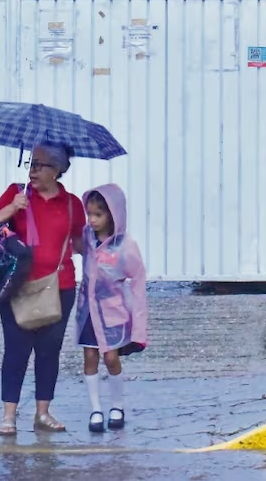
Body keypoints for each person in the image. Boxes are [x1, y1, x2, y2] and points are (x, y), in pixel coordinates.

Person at [0, 141, 85, 436]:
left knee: (48, 351)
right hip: (17, 287)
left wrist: (97, 242)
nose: (33, 170)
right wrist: (12, 208)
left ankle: (43, 412)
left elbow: (78, 243)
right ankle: (8, 416)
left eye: (40, 164)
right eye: (31, 163)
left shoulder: (72, 204)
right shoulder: (17, 194)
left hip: (60, 287)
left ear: (58, 170)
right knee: (16, 351)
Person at [76, 184, 148, 433]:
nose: (92, 220)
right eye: (89, 214)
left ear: (113, 214)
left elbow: (138, 280)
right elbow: (73, 246)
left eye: (98, 214)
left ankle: (117, 405)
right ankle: (95, 409)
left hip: (112, 311)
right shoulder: (86, 236)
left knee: (110, 357)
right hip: (88, 311)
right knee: (90, 356)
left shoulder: (124, 245)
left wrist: (139, 327)